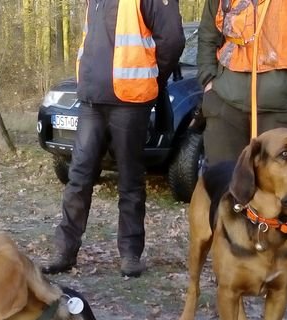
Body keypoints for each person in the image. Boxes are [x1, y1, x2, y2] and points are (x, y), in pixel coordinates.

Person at [43, 0, 185, 278]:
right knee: (79, 176)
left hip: (131, 100)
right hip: (91, 98)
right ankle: (65, 251)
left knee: (130, 179)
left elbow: (173, 40)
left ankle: (130, 254)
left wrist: (152, 78)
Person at [197, 0, 287, 165]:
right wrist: (208, 79)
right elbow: (207, 32)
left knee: (275, 186)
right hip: (224, 101)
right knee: (223, 183)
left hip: (278, 106)